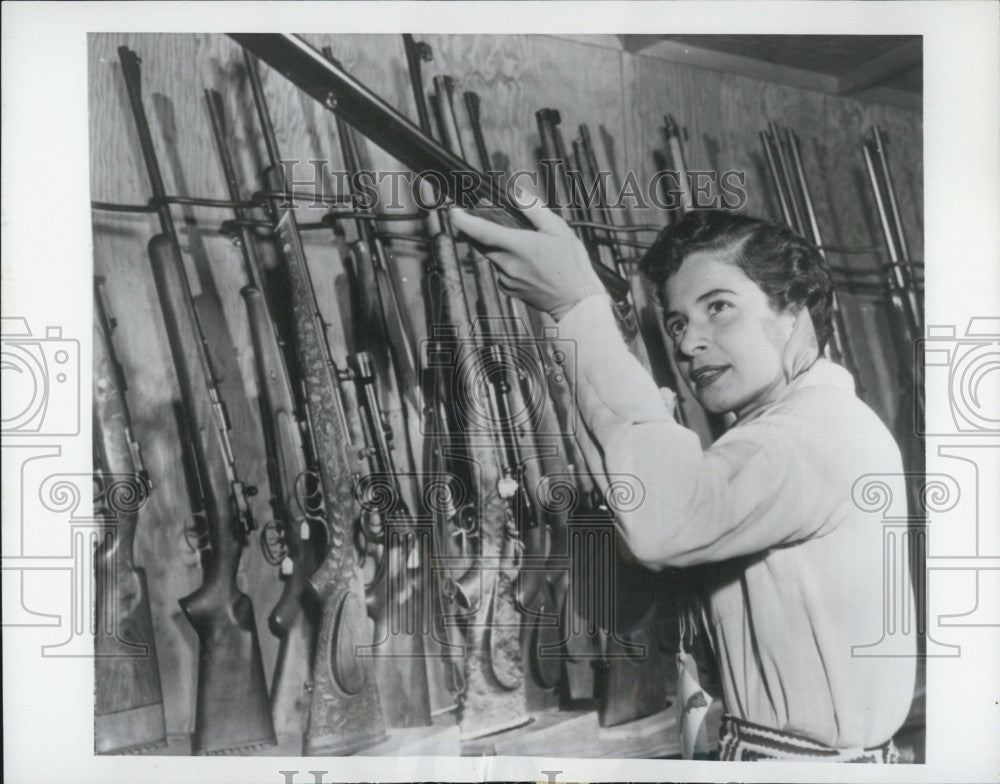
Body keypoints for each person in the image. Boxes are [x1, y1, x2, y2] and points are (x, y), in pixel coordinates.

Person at [449, 203, 916, 762]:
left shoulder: (817, 433)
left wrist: (579, 311)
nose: (690, 343)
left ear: (795, 312)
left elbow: (661, 528)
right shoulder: (761, 443)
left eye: (718, 307)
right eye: (677, 323)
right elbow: (623, 606)